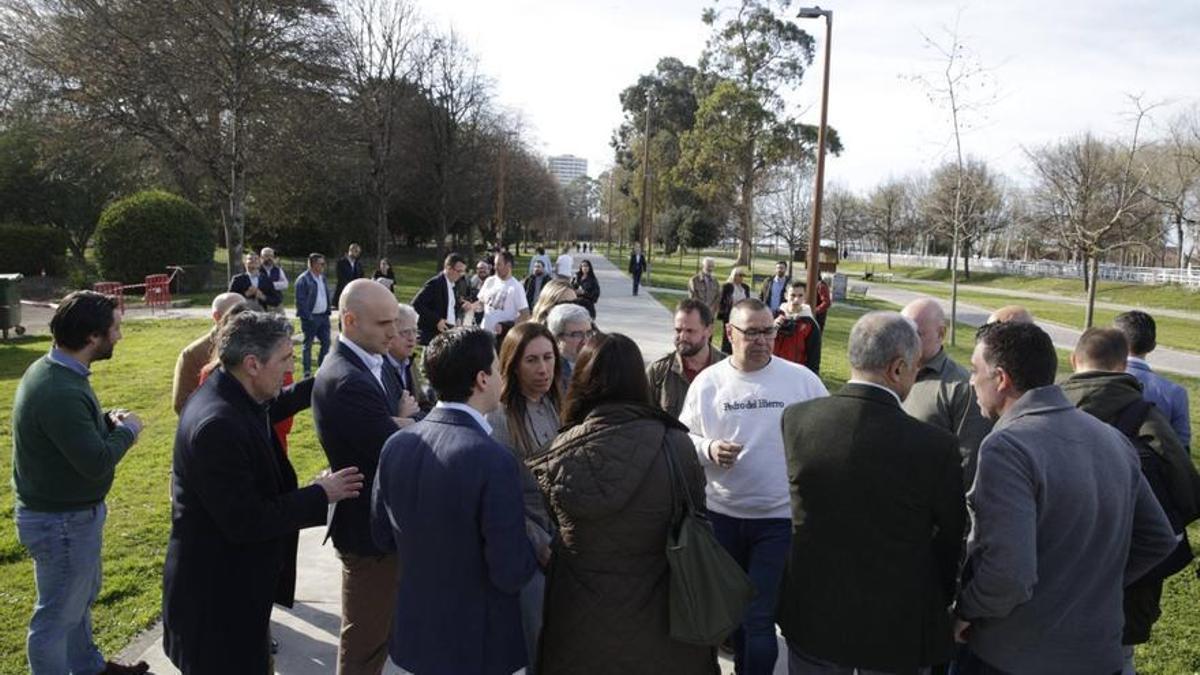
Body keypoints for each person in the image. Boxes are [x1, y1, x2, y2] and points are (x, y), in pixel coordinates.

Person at [953, 321, 1176, 675]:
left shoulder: (1007, 446)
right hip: (1099, 654)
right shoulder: (1113, 439)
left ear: (1000, 379)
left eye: (974, 371)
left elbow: (1008, 573)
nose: (970, 381)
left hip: (1013, 657)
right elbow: (1160, 539)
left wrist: (965, 610)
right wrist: (1090, 583)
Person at [162, 311, 363, 673]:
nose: (289, 370)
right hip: (215, 607)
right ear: (252, 363)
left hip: (235, 597)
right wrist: (321, 493)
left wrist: (330, 377)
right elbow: (247, 520)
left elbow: (275, 403)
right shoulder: (217, 425)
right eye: (285, 359)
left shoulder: (234, 390)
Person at [777, 312, 966, 674]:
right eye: (915, 368)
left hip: (812, 613)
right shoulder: (935, 446)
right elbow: (950, 540)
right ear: (898, 368)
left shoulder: (797, 420)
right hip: (896, 627)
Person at [530, 333, 718, 674]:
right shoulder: (676, 445)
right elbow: (698, 515)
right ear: (638, 379)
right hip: (666, 624)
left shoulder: (557, 454)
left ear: (582, 380)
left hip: (580, 624)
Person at [371, 327, 537, 674]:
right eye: (496, 366)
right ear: (481, 379)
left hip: (413, 640)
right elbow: (510, 570)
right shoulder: (494, 460)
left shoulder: (396, 445)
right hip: (478, 648)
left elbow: (382, 536)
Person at [679, 298, 829, 675]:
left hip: (778, 521)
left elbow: (829, 436)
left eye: (769, 331)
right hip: (722, 518)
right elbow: (683, 441)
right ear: (730, 333)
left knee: (758, 617)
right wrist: (709, 448)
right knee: (728, 617)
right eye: (752, 332)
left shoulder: (801, 381)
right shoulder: (708, 383)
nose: (763, 340)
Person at [12, 291, 149, 675]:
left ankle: (89, 669)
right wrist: (129, 430)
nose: (118, 336)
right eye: (115, 329)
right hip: (62, 524)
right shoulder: (59, 390)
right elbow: (96, 461)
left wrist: (105, 420)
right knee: (56, 619)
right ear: (92, 337)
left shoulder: (58, 373)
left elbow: (67, 435)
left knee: (77, 604)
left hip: (66, 518)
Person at [1060, 327, 1200, 674]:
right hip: (1127, 573)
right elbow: (1187, 492)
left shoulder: (1048, 409)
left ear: (1073, 360)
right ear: (1123, 367)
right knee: (1117, 657)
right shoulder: (1148, 419)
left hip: (1056, 568)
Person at [312, 279, 403, 675]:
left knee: (379, 636)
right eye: (384, 323)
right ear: (349, 320)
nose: (395, 332)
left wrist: (400, 420)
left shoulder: (372, 361)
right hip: (369, 535)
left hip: (382, 527)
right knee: (365, 645)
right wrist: (405, 421)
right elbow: (395, 446)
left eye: (396, 321)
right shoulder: (348, 379)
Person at [485, 322, 562, 672]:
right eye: (532, 360)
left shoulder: (559, 405)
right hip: (528, 548)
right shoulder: (499, 419)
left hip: (568, 539)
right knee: (539, 643)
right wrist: (537, 541)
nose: (543, 368)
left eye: (548, 358)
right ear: (513, 364)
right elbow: (501, 498)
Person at [900, 297, 993, 489]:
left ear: (941, 333)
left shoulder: (961, 387)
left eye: (916, 334)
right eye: (902, 333)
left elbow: (969, 463)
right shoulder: (891, 373)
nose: (905, 343)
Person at [1115, 310, 1191, 447]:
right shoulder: (1175, 393)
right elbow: (1181, 448)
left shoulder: (1098, 381)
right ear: (1153, 346)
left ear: (1114, 342)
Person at [647, 298, 727, 418]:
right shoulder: (658, 372)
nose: (682, 337)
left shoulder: (727, 369)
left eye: (690, 331)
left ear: (709, 330)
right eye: (678, 330)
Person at [172, 291, 245, 414]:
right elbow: (181, 404)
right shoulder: (192, 354)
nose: (245, 317)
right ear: (217, 317)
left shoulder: (257, 345)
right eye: (237, 313)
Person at [385, 303, 429, 425]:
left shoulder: (409, 362)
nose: (412, 338)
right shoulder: (378, 369)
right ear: (389, 333)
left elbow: (426, 407)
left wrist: (411, 421)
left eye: (415, 331)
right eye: (405, 332)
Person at [411, 252, 467, 345]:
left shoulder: (453, 285)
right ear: (448, 268)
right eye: (459, 271)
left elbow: (449, 306)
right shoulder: (436, 283)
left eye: (463, 271)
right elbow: (416, 304)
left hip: (449, 331)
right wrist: (437, 320)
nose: (461, 274)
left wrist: (462, 306)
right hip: (434, 334)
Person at [295, 252, 333, 377]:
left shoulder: (323, 278)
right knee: (308, 344)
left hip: (323, 317)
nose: (324, 266)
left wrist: (328, 311)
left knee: (326, 343)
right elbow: (300, 301)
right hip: (311, 318)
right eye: (321, 263)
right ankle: (307, 371)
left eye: (324, 263)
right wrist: (308, 317)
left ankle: (321, 369)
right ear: (313, 264)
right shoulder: (303, 279)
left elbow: (325, 295)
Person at [771, 281, 822, 374]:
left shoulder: (810, 323)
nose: (796, 300)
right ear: (786, 295)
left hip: (796, 373)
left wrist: (811, 379)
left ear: (805, 297)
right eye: (793, 295)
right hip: (771, 370)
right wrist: (771, 329)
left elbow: (814, 358)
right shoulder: (772, 316)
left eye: (800, 295)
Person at [475, 250, 530, 333]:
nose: (495, 267)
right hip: (485, 333)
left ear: (508, 266)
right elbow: (481, 304)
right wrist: (471, 307)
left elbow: (525, 315)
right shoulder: (490, 281)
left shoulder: (516, 287)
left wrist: (507, 327)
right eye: (494, 264)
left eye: (498, 264)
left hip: (502, 338)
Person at [547, 302, 593, 384]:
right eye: (577, 334)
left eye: (589, 333)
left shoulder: (598, 364)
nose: (585, 341)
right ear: (557, 338)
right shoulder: (550, 373)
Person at [718, 267, 751, 354]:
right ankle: (725, 354)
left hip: (742, 316)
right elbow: (722, 301)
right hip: (730, 315)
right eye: (740, 275)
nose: (741, 278)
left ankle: (736, 352)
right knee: (727, 336)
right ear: (734, 276)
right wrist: (723, 313)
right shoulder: (727, 286)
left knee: (739, 334)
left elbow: (748, 300)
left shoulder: (745, 287)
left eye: (743, 276)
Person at [334, 242, 364, 309]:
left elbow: (361, 277)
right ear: (350, 250)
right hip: (343, 292)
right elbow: (341, 278)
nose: (358, 254)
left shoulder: (358, 264)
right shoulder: (341, 262)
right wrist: (350, 287)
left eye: (359, 252)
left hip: (355, 294)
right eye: (356, 251)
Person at [466, 259, 491, 327]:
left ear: (489, 270)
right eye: (479, 268)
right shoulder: (472, 282)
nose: (482, 270)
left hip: (489, 317)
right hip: (474, 318)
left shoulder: (493, 283)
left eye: (484, 268)